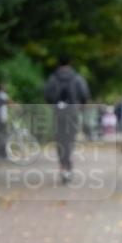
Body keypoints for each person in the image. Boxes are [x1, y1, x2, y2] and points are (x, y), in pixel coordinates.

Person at [44, 55, 91, 184]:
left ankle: (63, 166)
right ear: (70, 63)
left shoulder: (53, 78)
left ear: (59, 64)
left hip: (58, 113)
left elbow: (47, 95)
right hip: (72, 113)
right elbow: (85, 94)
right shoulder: (77, 78)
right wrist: (81, 107)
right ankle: (68, 166)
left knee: (60, 140)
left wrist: (54, 104)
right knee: (70, 140)